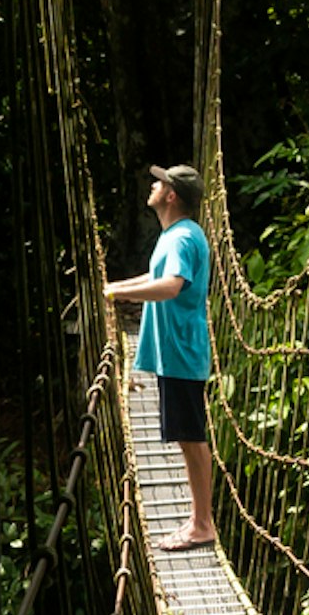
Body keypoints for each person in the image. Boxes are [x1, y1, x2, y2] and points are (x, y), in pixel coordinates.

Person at [106, 164, 216, 549]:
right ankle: (198, 519)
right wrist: (114, 289)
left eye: (160, 182)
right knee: (189, 436)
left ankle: (202, 524)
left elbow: (169, 287)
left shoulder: (182, 238)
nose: (152, 185)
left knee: (191, 437)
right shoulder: (177, 235)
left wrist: (119, 295)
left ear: (171, 195)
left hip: (182, 352)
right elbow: (153, 276)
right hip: (179, 352)